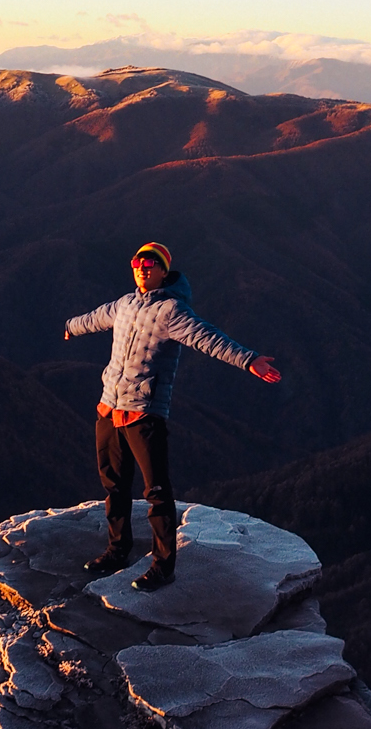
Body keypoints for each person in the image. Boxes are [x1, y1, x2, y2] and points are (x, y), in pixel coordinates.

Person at [63, 242, 281, 591]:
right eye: (138, 262)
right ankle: (117, 550)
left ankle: (163, 566)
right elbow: (96, 317)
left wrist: (248, 359)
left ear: (165, 271)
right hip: (109, 407)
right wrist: (72, 326)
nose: (142, 268)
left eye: (151, 264)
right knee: (114, 486)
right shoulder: (124, 304)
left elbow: (209, 338)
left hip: (144, 413)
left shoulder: (171, 311)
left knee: (157, 493)